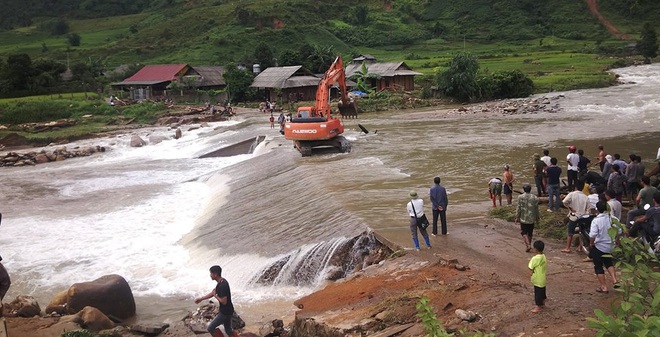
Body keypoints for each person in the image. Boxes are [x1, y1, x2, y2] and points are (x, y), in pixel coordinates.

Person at [194, 265, 237, 337]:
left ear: (215, 274)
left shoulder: (222, 285)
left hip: (225, 312)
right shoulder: (221, 282)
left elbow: (224, 301)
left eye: (211, 273)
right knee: (228, 330)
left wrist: (215, 296)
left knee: (210, 328)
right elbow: (213, 292)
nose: (210, 275)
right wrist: (201, 299)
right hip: (228, 310)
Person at [589, 201, 621, 294]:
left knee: (598, 266)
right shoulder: (614, 219)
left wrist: (591, 243)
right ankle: (615, 279)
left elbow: (593, 235)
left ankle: (604, 287)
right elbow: (619, 231)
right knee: (608, 262)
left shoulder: (596, 220)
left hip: (599, 246)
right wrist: (617, 241)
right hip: (610, 246)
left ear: (597, 209)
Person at [562, 184, 590, 253]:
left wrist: (570, 208)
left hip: (574, 216)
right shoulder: (586, 197)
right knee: (582, 231)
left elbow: (564, 202)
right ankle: (580, 247)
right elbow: (588, 209)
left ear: (575, 187)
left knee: (570, 232)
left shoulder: (572, 194)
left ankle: (567, 248)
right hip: (583, 216)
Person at [515, 183, 540, 252]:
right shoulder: (534, 197)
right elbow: (536, 208)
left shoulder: (520, 197)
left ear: (524, 189)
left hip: (523, 218)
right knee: (530, 232)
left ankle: (528, 245)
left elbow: (518, 208)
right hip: (531, 218)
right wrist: (537, 217)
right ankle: (529, 244)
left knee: (523, 232)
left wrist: (517, 217)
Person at [528, 240, 547, 313]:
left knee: (537, 293)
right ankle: (543, 303)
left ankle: (538, 307)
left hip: (537, 278)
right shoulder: (543, 256)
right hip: (542, 278)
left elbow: (530, 267)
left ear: (535, 249)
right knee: (542, 291)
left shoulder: (535, 258)